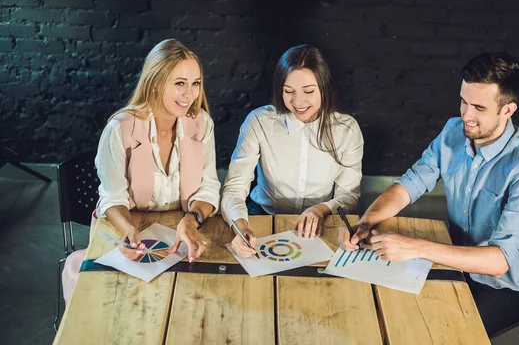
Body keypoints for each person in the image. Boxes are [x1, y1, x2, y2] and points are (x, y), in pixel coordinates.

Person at [339, 52, 519, 336]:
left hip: (502, 287)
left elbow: (500, 262)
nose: (466, 115)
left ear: (507, 111)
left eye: (479, 107)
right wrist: (366, 221)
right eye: (463, 102)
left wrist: (416, 247)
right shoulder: (453, 131)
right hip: (452, 262)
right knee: (379, 311)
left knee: (431, 335)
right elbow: (410, 184)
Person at [62, 39, 220, 302]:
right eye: (179, 83)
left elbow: (210, 187)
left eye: (196, 83)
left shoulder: (202, 124)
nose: (190, 94)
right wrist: (127, 230)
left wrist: (191, 220)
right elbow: (112, 198)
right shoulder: (120, 128)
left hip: (181, 237)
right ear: (156, 83)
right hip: (131, 233)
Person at [222, 44, 364, 257]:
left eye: (308, 91)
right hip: (262, 214)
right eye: (288, 91)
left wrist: (322, 209)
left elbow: (349, 195)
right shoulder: (259, 121)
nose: (298, 102)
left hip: (322, 220)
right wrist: (240, 227)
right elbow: (234, 187)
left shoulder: (346, 129)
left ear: (324, 87)